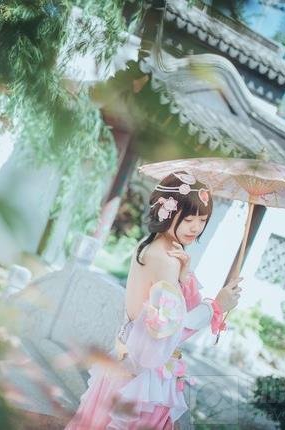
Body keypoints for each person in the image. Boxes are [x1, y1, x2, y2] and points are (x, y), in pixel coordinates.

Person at [64, 170, 243, 430]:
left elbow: (168, 311)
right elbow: (166, 332)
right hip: (140, 376)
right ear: (167, 213)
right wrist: (216, 306)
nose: (196, 227)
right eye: (189, 219)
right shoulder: (166, 259)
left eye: (203, 220)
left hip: (125, 362)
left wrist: (184, 275)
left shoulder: (149, 246)